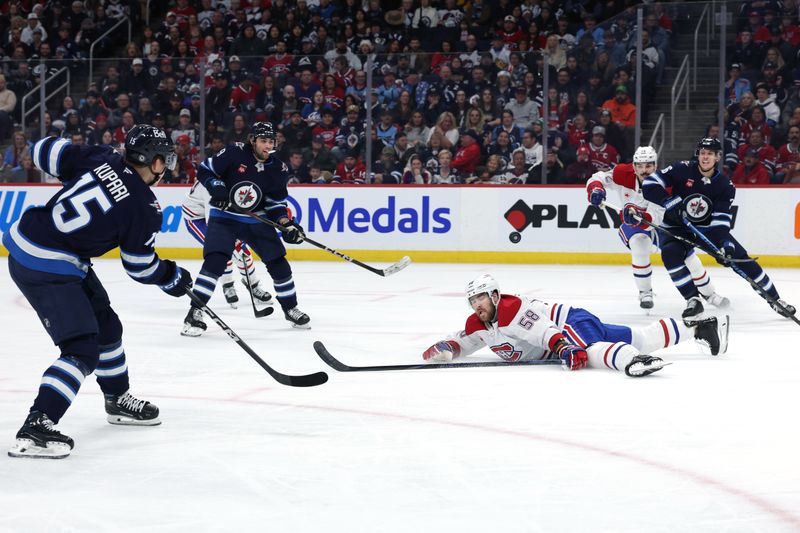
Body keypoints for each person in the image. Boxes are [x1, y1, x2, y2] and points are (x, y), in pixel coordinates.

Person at [3, 125, 192, 459]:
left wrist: (80, 161)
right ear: (153, 160)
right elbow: (140, 266)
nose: (167, 169)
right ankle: (37, 425)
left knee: (107, 328)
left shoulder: (103, 157)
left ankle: (118, 400)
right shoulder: (145, 207)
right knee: (82, 348)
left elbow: (44, 150)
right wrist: (172, 276)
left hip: (39, 242)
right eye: (165, 161)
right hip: (47, 264)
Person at [422, 274, 729, 378]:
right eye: (472, 300)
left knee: (591, 351)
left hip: (568, 323)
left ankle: (631, 361)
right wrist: (447, 348)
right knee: (641, 336)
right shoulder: (478, 322)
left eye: (481, 298)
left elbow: (545, 332)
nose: (477, 304)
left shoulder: (512, 309)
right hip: (575, 320)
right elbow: (465, 342)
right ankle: (699, 328)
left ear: (494, 295)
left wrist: (565, 347)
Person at [642, 137, 796, 319]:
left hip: (707, 230)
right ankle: (693, 300)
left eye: (710, 154)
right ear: (698, 155)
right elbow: (649, 184)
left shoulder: (724, 185)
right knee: (670, 254)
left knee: (741, 259)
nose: (705, 157)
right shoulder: (681, 169)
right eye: (703, 153)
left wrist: (725, 244)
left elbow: (721, 220)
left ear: (718, 157)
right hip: (678, 226)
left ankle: (776, 300)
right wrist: (667, 200)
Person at [182, 122, 310, 336]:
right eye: (263, 141)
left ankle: (290, 308)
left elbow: (275, 203)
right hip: (225, 217)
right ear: (253, 140)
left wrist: (286, 223)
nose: (267, 145)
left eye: (271, 141)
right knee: (215, 261)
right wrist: (217, 188)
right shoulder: (233, 153)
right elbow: (205, 170)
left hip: (256, 220)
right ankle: (195, 313)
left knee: (279, 263)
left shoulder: (278, 168)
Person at [587, 145, 729, 310]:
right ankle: (645, 292)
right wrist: (595, 189)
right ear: (634, 166)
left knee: (688, 258)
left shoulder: (665, 182)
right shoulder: (622, 173)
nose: (644, 170)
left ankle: (709, 293)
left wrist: (641, 217)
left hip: (661, 223)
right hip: (635, 226)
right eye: (639, 166)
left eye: (648, 165)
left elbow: (655, 216)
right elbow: (597, 177)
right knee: (639, 243)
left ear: (655, 165)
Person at [182, 180, 271, 309]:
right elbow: (211, 220)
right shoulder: (210, 186)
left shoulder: (235, 176)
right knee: (222, 251)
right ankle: (228, 285)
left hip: (223, 215)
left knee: (243, 252)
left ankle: (253, 286)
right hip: (196, 219)